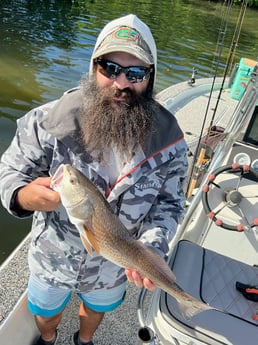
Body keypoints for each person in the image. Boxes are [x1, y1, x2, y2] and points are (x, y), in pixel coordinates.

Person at [0, 14, 188, 345]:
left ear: (150, 77)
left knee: (96, 309)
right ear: (93, 68)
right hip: (52, 258)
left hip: (115, 266)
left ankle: (83, 341)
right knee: (44, 313)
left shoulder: (170, 143)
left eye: (135, 73)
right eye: (110, 68)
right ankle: (49, 338)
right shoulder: (47, 122)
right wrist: (23, 195)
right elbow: (9, 172)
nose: (121, 84)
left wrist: (153, 247)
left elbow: (170, 203)